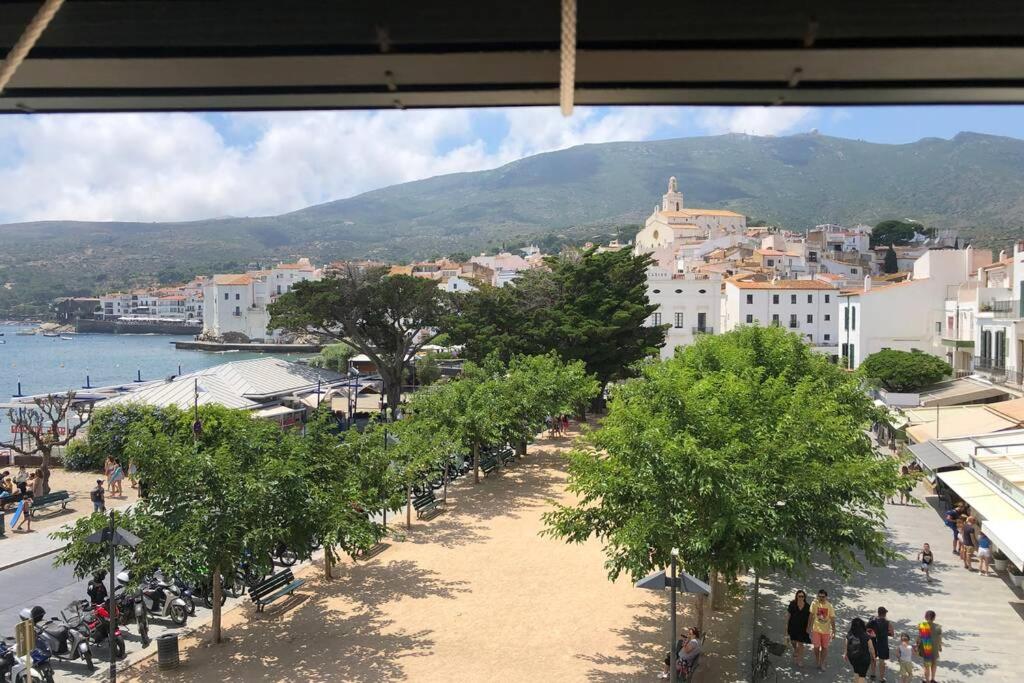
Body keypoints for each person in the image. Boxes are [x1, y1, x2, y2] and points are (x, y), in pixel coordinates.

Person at [807, 588, 836, 673]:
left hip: (826, 631)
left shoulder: (829, 606)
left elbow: (832, 619)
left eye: (823, 597)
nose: (821, 598)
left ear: (826, 597)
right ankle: (817, 660)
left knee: (824, 647)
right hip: (816, 629)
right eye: (819, 596)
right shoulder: (814, 603)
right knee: (816, 647)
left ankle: (822, 663)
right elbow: (811, 615)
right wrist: (808, 627)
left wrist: (834, 631)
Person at [843, 617, 875, 683]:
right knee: (862, 676)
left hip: (853, 657)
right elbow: (871, 648)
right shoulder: (866, 636)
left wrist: (845, 654)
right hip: (864, 659)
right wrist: (873, 656)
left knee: (856, 672)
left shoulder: (849, 635)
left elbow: (846, 644)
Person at [867, 606, 894, 682]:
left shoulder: (872, 620)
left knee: (873, 657)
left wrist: (873, 634)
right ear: (885, 614)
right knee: (882, 661)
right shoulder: (888, 623)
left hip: (873, 642)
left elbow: (866, 629)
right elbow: (892, 634)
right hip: (883, 643)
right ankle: (881, 678)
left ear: (878, 613)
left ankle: (873, 674)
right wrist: (886, 633)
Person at [786, 590, 812, 667]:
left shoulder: (807, 606)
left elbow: (810, 617)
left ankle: (799, 660)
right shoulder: (792, 604)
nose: (801, 598)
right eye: (799, 596)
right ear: (797, 596)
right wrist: (786, 625)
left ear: (804, 597)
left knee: (801, 644)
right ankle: (795, 650)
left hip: (802, 628)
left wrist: (809, 627)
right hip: (793, 627)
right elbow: (788, 615)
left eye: (802, 596)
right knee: (793, 641)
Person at [915, 610, 942, 683]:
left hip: (926, 648)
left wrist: (917, 644)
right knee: (934, 663)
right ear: (934, 618)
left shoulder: (921, 625)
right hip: (935, 648)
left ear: (925, 617)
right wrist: (940, 646)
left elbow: (919, 636)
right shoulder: (938, 627)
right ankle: (932, 679)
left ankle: (927, 681)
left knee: (926, 665)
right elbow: (939, 638)